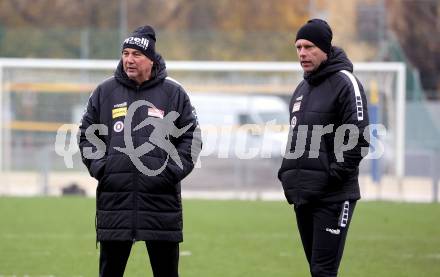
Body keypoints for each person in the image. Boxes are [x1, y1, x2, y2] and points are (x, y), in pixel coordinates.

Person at [78, 25, 202, 277]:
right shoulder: (105, 92)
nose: (129, 59)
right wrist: (103, 168)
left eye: (136, 54)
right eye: (125, 53)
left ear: (151, 59)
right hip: (116, 202)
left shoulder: (173, 93)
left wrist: (169, 173)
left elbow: (192, 137)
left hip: (160, 203)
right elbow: (87, 134)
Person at [278, 19, 370, 277]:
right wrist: (288, 176)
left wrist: (333, 176)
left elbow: (359, 138)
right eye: (298, 47)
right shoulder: (301, 89)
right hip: (304, 196)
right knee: (316, 269)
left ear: (325, 49)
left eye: (309, 47)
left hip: (333, 196)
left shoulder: (346, 83)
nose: (302, 53)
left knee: (323, 271)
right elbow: (297, 141)